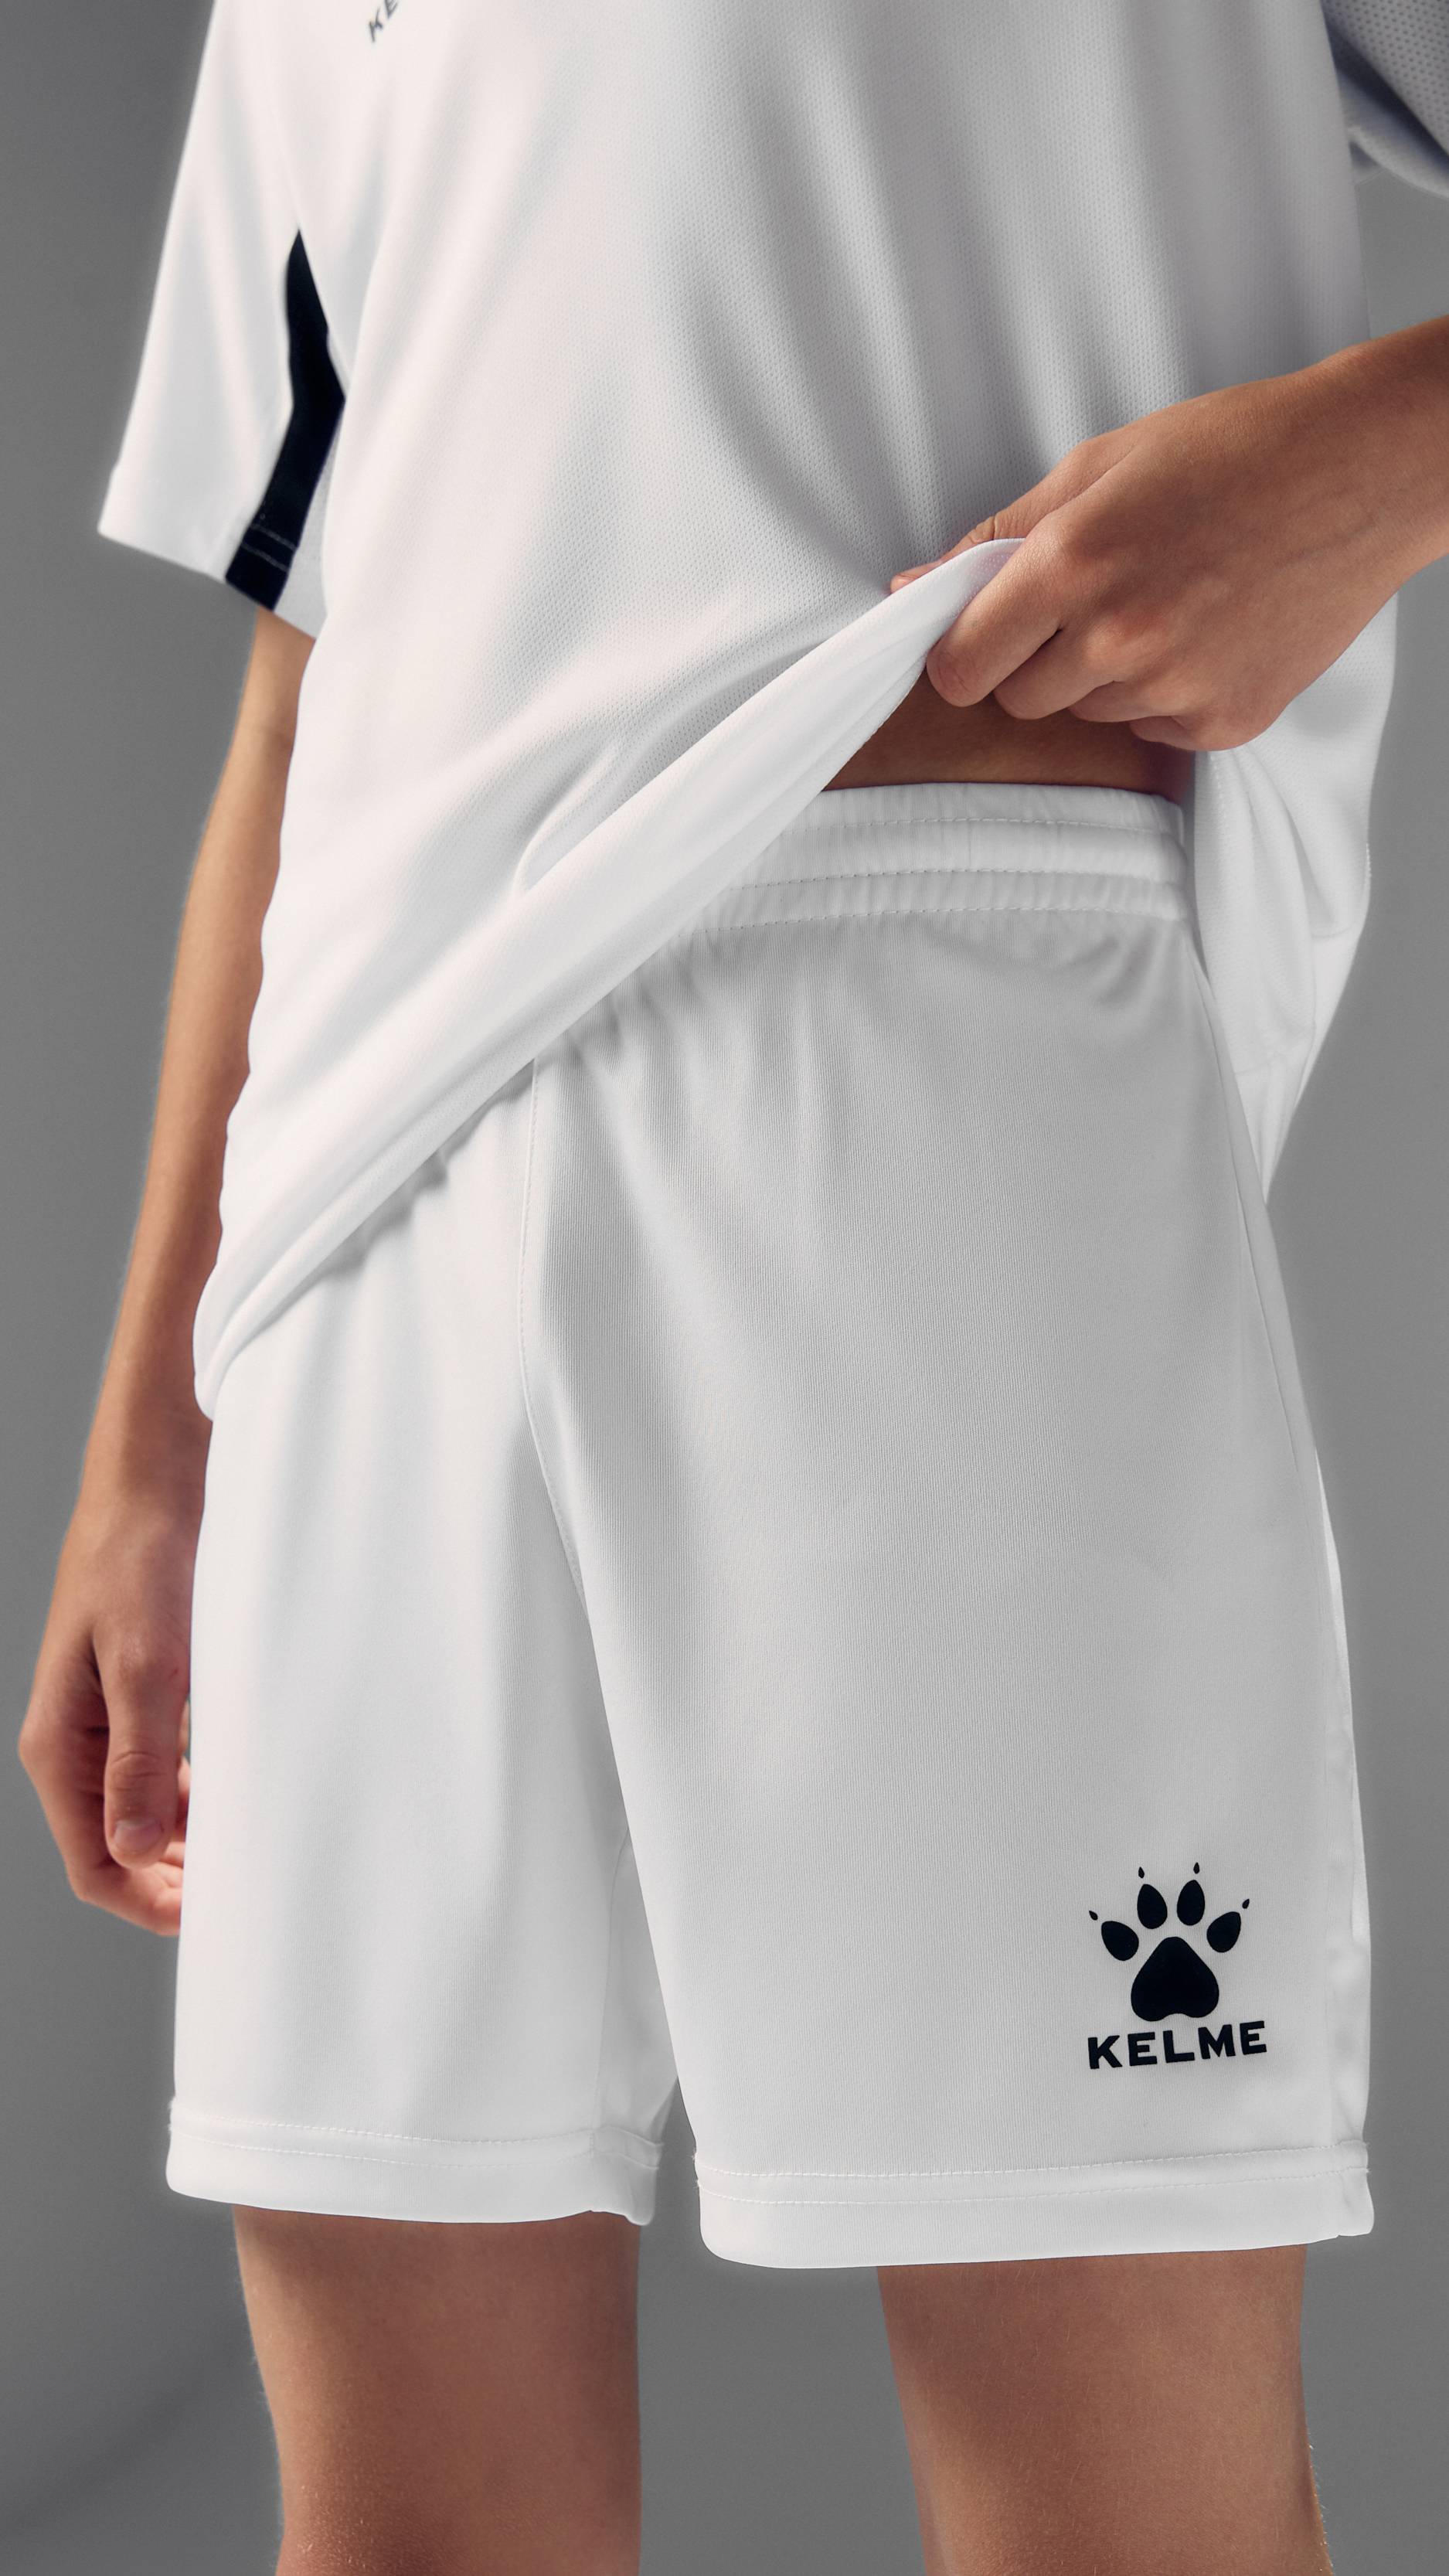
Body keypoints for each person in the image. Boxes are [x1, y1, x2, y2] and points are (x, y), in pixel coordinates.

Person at [16, 1, 1449, 2567]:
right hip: (366, 1191)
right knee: (408, 2516)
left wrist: (1371, 450)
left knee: (1120, 2500)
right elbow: (312, 658)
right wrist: (152, 1448)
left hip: (939, 1033)